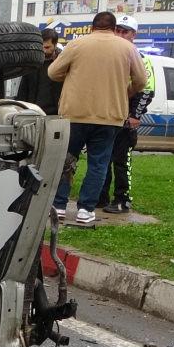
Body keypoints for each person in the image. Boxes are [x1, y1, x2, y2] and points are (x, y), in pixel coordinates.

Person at [48, 11, 147, 225]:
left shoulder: (76, 45)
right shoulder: (128, 48)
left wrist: (72, 76)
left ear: (92, 27)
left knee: (67, 160)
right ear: (113, 28)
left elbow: (53, 72)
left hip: (75, 113)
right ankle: (86, 209)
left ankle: (59, 205)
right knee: (99, 163)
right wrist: (126, 92)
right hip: (109, 116)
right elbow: (141, 81)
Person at [99, 15, 154, 214]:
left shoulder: (141, 59)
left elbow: (147, 90)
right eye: (118, 30)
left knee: (121, 161)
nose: (121, 35)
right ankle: (100, 197)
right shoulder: (111, 56)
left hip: (126, 118)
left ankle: (123, 199)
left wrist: (135, 115)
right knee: (102, 158)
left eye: (125, 31)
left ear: (134, 35)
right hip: (107, 116)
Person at [17, 28, 63, 117]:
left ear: (55, 45)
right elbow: (23, 90)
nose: (44, 50)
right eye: (41, 47)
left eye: (47, 47)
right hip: (32, 113)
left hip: (55, 114)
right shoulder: (32, 63)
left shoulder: (62, 64)